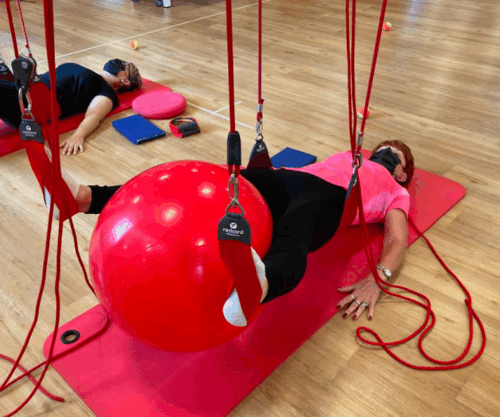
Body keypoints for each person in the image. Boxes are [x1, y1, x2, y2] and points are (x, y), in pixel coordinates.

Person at [49, 140, 415, 326]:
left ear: (402, 173)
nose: (385, 153)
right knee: (204, 182)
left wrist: (377, 278)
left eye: (394, 156)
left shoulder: (397, 192)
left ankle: (259, 287)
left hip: (334, 198)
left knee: (295, 232)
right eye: (383, 148)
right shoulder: (350, 154)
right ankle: (84, 199)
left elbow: (397, 239)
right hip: (289, 178)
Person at [0, 57, 142, 155]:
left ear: (125, 81)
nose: (119, 63)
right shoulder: (93, 75)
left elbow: (94, 115)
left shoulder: (106, 92)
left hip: (34, 104)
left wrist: (78, 136)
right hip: (27, 87)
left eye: (124, 66)